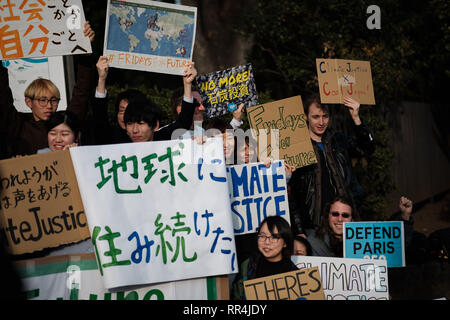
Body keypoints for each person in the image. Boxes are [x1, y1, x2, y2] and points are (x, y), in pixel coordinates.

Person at [0, 22, 96, 158]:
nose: (49, 106)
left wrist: (85, 51)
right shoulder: (19, 124)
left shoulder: (64, 122)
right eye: (42, 100)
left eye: (54, 100)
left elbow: (82, 93)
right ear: (28, 102)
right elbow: (3, 97)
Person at [288, 93, 374, 237]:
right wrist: (298, 230)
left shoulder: (338, 140)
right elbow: (292, 195)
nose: (321, 122)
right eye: (316, 117)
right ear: (305, 116)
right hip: (313, 227)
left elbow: (367, 149)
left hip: (346, 223)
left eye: (325, 116)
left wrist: (356, 118)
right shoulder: (296, 148)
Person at [92, 56, 197, 144]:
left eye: (141, 123)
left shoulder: (161, 139)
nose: (135, 130)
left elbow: (184, 122)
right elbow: (100, 122)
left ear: (155, 125)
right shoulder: (119, 142)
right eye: (129, 123)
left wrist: (187, 85)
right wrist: (101, 79)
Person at [231, 215, 297, 300]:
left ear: (285, 243)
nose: (267, 242)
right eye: (262, 236)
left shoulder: (294, 274)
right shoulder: (248, 266)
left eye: (274, 237)